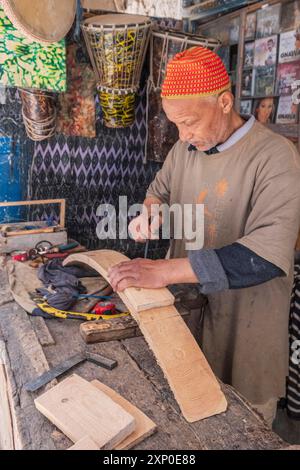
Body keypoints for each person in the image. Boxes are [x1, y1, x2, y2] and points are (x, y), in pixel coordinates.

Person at [108, 46, 300, 427]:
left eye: (190, 122)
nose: (183, 135)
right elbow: (158, 191)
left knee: (241, 425)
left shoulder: (277, 156)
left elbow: (264, 258)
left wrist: (163, 271)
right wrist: (150, 211)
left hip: (246, 326)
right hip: (189, 312)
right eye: (176, 125)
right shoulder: (185, 149)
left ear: (224, 102)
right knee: (187, 414)